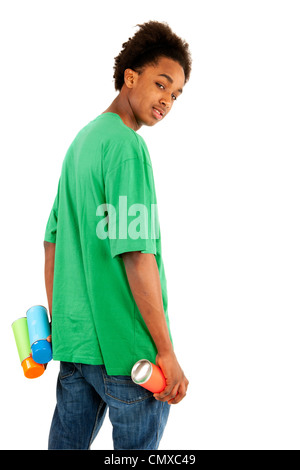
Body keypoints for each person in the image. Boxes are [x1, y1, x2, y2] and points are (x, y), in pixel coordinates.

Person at [44, 20, 192, 450]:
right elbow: (136, 253)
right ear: (131, 77)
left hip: (74, 347)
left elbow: (53, 239)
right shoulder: (127, 147)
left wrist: (62, 323)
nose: (167, 100)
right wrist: (166, 351)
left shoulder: (82, 141)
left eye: (176, 94)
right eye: (161, 84)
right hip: (129, 356)